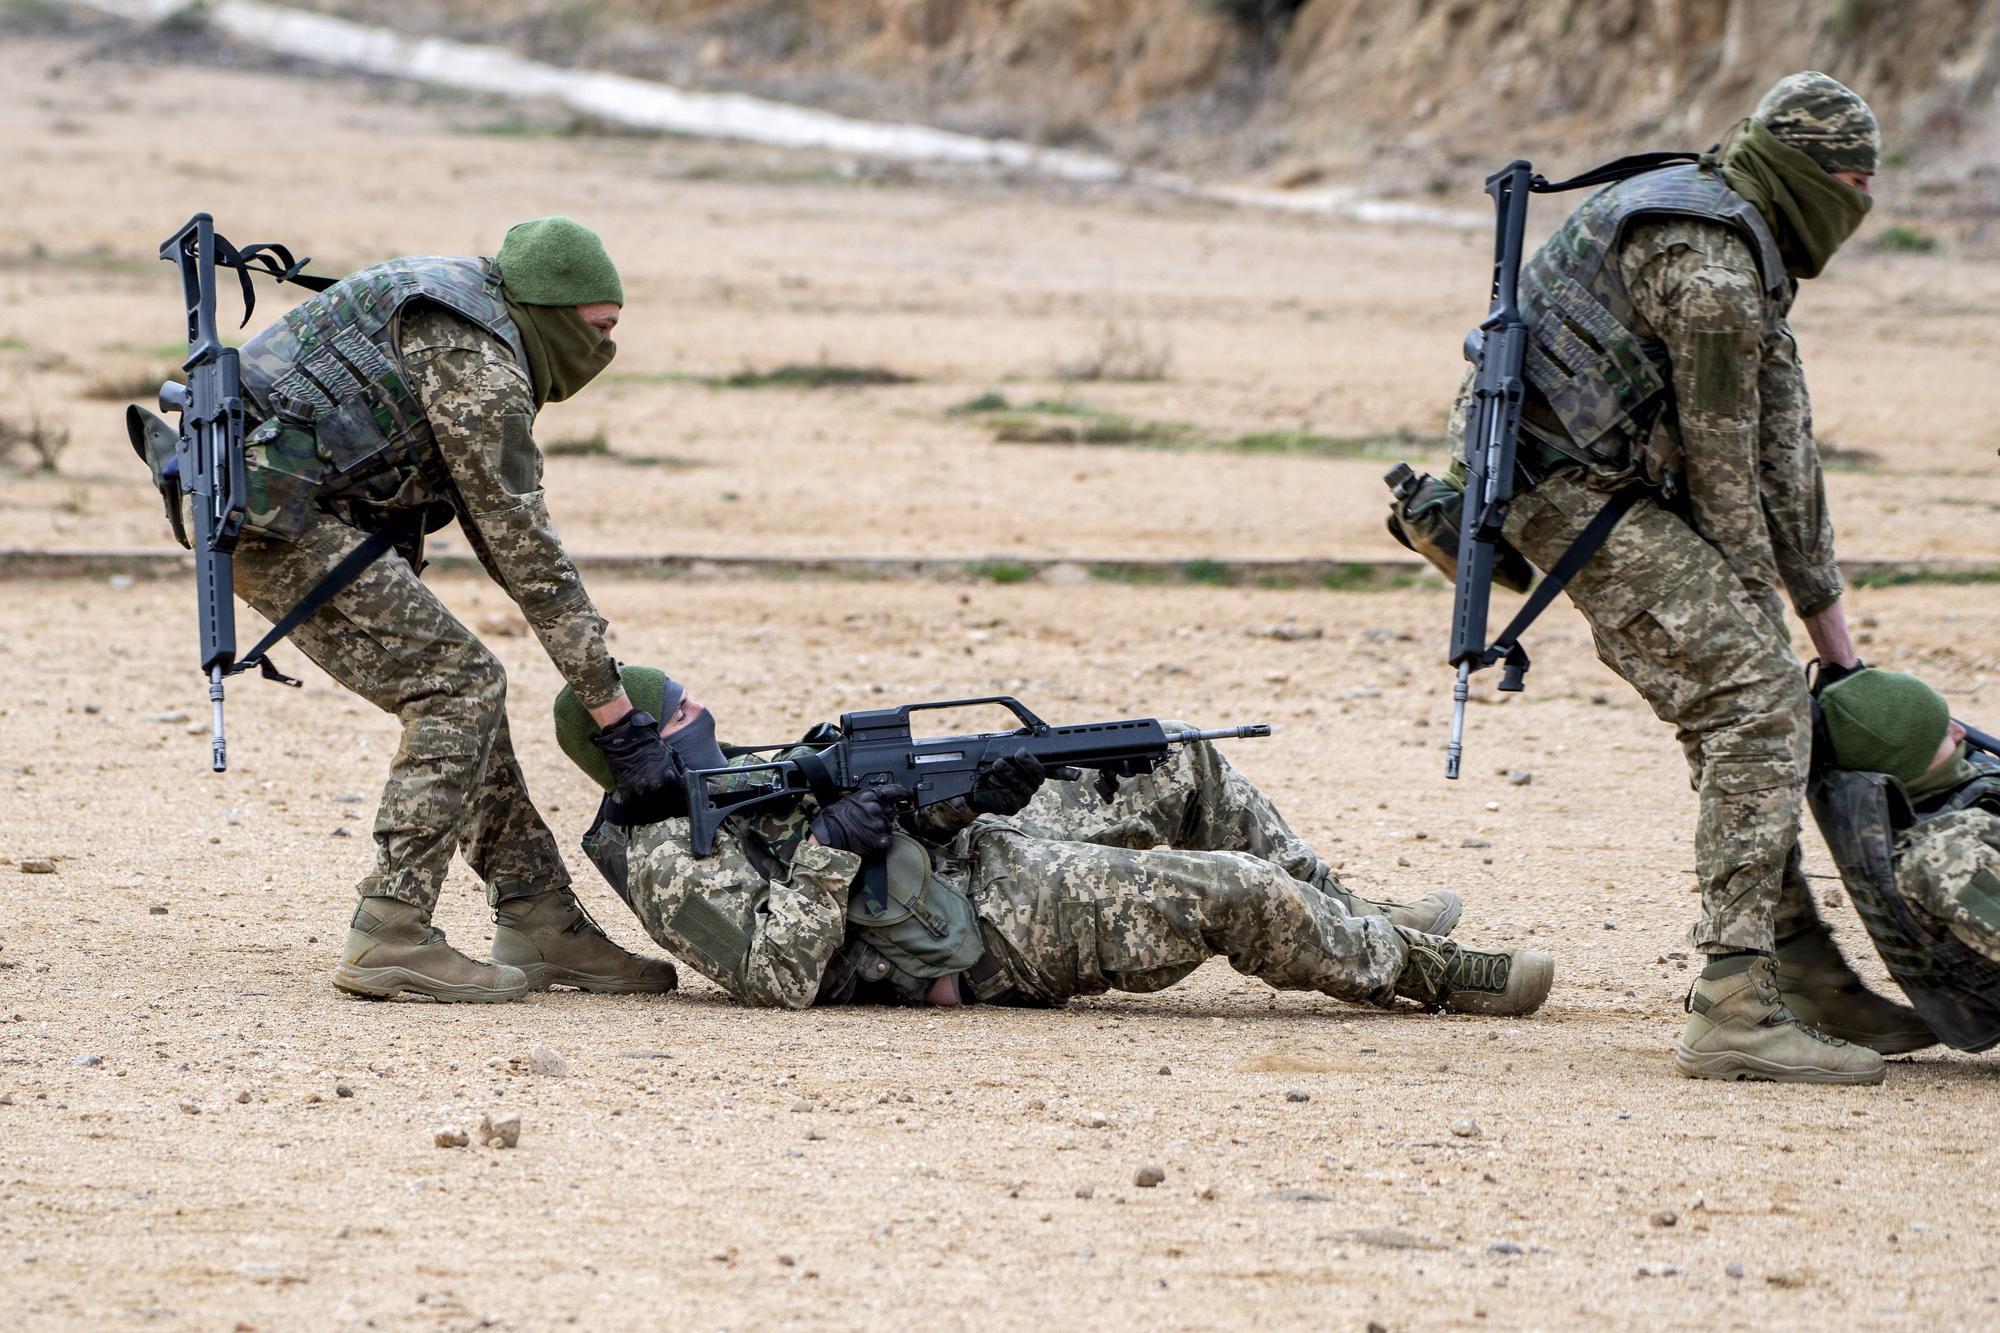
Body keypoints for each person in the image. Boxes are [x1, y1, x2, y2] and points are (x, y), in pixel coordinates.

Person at [1429, 72, 1929, 1082]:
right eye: (1849, 182)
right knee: (1750, 700)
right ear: (1801, 174)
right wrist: (1768, 646)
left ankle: (1797, 974)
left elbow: (1785, 461)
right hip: (1563, 489)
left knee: (1765, 693)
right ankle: (1734, 1005)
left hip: (1611, 476)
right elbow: (1723, 478)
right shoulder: (1708, 271)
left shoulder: (1743, 234)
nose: (1861, 205)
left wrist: (1836, 651)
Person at [224, 217, 681, 1003]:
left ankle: (539, 919)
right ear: (552, 310)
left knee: (466, 686)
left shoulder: (471, 305)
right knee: (456, 685)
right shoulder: (478, 360)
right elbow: (523, 549)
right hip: (273, 516)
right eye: (600, 329)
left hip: (286, 503)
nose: (606, 350)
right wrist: (616, 716)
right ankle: (390, 930)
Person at [548, 667, 1555, 1017]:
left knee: (1168, 761)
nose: (705, 713)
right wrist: (829, 848)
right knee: (1233, 891)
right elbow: (777, 975)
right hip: (988, 936)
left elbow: (878, 836)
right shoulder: (671, 862)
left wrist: (967, 798)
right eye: (680, 714)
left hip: (976, 861)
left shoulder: (733, 783)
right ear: (630, 753)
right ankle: (1427, 972)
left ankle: (1346, 909)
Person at [1810, 670, 2000, 1048]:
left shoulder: (1953, 788)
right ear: (1909, 763)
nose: (1961, 732)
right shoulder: (1946, 855)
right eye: (1942, 734)